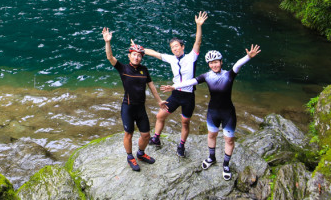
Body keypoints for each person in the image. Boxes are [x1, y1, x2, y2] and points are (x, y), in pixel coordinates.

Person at [162, 44, 261, 181]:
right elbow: (190, 82)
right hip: (213, 112)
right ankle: (211, 158)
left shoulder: (229, 74)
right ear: (209, 64)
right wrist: (173, 86)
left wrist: (248, 57)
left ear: (221, 62)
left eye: (216, 62)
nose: (214, 65)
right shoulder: (206, 76)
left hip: (228, 113)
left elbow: (238, 65)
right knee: (211, 135)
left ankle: (226, 165)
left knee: (229, 139)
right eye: (211, 63)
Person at [133, 11, 208, 158]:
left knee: (185, 122)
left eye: (176, 46)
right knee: (160, 116)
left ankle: (181, 145)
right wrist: (139, 49)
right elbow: (154, 53)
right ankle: (156, 138)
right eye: (172, 47)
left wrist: (198, 26)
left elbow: (197, 42)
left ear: (182, 47)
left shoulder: (191, 57)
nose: (174, 49)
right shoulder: (171, 58)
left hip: (188, 96)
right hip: (175, 95)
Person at [103, 27, 166, 171]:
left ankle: (141, 154)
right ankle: (130, 156)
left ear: (141, 57)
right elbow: (110, 57)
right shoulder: (123, 69)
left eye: (139, 55)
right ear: (129, 56)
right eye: (134, 54)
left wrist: (159, 101)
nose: (136, 57)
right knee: (129, 134)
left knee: (146, 135)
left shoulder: (144, 70)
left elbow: (151, 87)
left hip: (141, 108)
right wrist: (108, 42)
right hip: (128, 107)